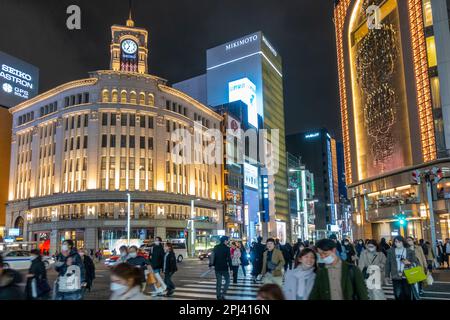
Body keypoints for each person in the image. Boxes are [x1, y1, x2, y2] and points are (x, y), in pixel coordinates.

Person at [385, 236, 419, 300]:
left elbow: (416, 263)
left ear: (403, 242)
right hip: (396, 275)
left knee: (407, 294)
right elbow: (388, 264)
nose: (397, 243)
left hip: (407, 275)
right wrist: (386, 276)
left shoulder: (409, 251)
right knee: (398, 294)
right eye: (396, 242)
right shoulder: (391, 252)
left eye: (399, 242)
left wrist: (409, 263)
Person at [209, 236, 232, 300]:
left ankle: (218, 296)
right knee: (227, 281)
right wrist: (231, 268)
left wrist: (211, 265)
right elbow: (229, 259)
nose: (228, 242)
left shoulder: (216, 247)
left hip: (217, 267)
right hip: (224, 267)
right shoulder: (227, 248)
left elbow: (212, 256)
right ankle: (223, 294)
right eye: (227, 240)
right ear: (225, 241)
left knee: (219, 282)